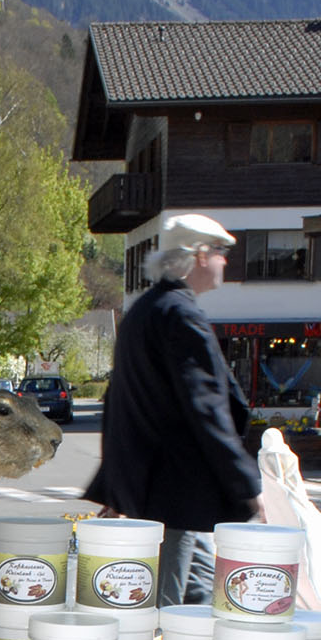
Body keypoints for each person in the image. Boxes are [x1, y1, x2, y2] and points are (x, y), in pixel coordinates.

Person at [86, 214, 262, 608]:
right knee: (168, 608)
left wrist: (117, 480)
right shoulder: (179, 314)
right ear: (200, 255)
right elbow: (207, 407)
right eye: (220, 251)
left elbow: (118, 401)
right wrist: (248, 485)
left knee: (199, 595)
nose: (225, 260)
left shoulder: (145, 310)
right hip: (178, 494)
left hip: (166, 492)